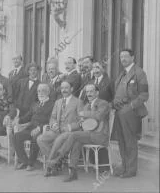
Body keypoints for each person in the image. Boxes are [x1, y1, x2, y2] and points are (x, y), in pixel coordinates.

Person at [51, 84, 110, 182]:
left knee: (74, 135)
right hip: (88, 134)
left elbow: (99, 116)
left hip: (100, 135)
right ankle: (73, 172)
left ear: (97, 93)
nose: (89, 94)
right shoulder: (86, 105)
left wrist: (84, 114)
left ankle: (60, 157)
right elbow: (82, 121)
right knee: (76, 141)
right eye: (87, 92)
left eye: (91, 91)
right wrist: (81, 122)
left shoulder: (103, 103)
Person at [112, 49, 149, 178]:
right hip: (119, 112)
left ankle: (131, 170)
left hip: (131, 113)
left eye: (126, 56)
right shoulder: (122, 74)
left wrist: (130, 107)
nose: (123, 59)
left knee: (130, 141)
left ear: (133, 57)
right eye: (121, 57)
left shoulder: (139, 73)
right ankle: (124, 167)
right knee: (121, 141)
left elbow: (144, 95)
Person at [36, 81, 83, 177]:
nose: (64, 90)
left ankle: (50, 166)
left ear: (72, 89)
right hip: (57, 130)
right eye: (62, 88)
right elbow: (52, 117)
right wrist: (53, 125)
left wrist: (70, 127)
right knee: (40, 139)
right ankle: (56, 163)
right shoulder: (58, 102)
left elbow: (81, 121)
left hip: (69, 132)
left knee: (58, 140)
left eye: (66, 88)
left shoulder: (78, 102)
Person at [13, 83, 54, 171]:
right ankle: (24, 161)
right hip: (31, 128)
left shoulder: (52, 105)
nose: (40, 93)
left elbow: (52, 121)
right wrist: (18, 120)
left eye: (43, 90)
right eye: (39, 91)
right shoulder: (35, 104)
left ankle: (31, 164)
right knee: (17, 136)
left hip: (43, 130)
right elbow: (28, 116)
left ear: (48, 92)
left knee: (35, 138)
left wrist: (40, 128)